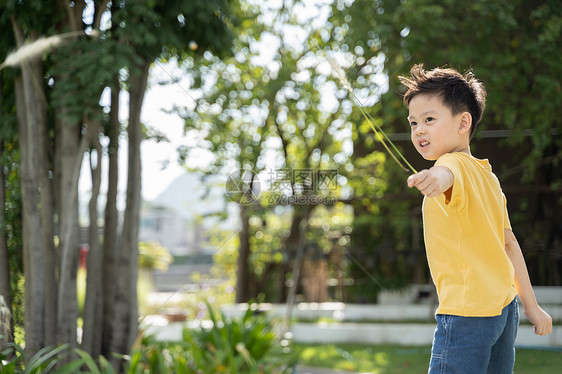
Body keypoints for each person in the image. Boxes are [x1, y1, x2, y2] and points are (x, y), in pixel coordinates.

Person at [400, 64, 552, 373]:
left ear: (463, 122)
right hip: (504, 311)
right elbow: (510, 245)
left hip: (467, 314)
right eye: (413, 122)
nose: (419, 130)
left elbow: (446, 174)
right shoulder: (489, 177)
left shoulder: (450, 164)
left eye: (429, 119)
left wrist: (434, 179)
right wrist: (532, 307)